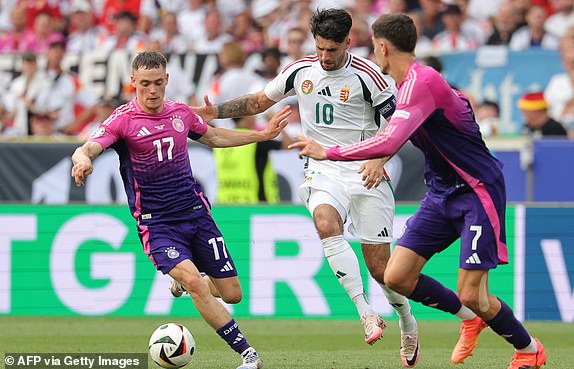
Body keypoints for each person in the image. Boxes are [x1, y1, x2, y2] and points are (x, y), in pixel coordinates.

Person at [289, 13, 547, 369]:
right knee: (396, 276)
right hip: (441, 192)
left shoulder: (421, 82)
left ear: (382, 47)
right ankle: (470, 321)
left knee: (473, 293)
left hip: (476, 190)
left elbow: (391, 139)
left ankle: (528, 348)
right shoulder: (409, 85)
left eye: (374, 47)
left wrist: (328, 151)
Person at [193, 8, 420, 367]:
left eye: (332, 50)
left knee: (382, 270)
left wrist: (379, 159)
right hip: (323, 167)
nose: (325, 57)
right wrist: (212, 113)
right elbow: (257, 102)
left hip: (365, 170)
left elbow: (401, 127)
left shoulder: (371, 77)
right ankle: (365, 312)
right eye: (320, 49)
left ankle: (407, 322)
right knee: (326, 224)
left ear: (348, 42)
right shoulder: (300, 71)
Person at [71, 51, 291, 369]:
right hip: (157, 223)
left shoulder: (180, 113)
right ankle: (248, 355)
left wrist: (261, 134)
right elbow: (88, 146)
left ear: (167, 80)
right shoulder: (122, 120)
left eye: (158, 82)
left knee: (232, 294)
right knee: (197, 284)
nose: (152, 90)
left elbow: (213, 135)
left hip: (195, 213)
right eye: (144, 83)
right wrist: (82, 160)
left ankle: (187, 282)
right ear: (133, 81)